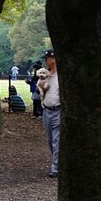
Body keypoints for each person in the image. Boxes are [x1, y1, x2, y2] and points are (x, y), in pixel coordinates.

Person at [38, 50, 60, 179]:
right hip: (46, 110)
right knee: (50, 140)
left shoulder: (59, 76)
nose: (47, 60)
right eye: (46, 58)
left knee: (57, 140)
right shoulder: (45, 75)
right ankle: (57, 163)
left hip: (58, 110)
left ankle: (55, 167)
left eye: (49, 58)